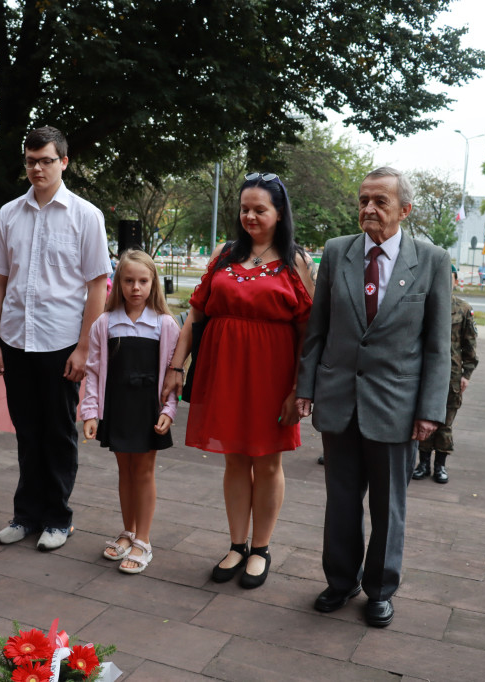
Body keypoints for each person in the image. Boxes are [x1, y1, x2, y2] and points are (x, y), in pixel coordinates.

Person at [296, 167, 451, 628]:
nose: (368, 209)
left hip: (396, 407)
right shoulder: (336, 252)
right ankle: (341, 581)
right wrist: (306, 388)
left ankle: (380, 588)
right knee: (341, 502)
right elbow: (317, 329)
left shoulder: (431, 261)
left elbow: (437, 345)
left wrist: (430, 410)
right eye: (364, 199)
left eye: (380, 201)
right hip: (339, 401)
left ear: (404, 210)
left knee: (388, 507)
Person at [162, 172, 314, 590]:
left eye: (259, 209)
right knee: (233, 459)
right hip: (224, 370)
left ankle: (261, 549)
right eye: (244, 208)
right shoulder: (225, 253)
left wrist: (299, 388)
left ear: (279, 214)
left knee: (267, 461)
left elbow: (307, 331)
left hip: (272, 374)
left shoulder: (295, 261)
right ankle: (236, 544)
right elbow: (195, 314)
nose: (249, 215)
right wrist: (176, 368)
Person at [0, 125, 110, 552]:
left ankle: (58, 517)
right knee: (26, 431)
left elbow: (97, 285)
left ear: (64, 162)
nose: (37, 168)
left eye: (46, 160)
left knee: (58, 432)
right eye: (31, 161)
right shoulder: (8, 215)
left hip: (60, 344)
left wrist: (84, 347)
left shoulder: (85, 216)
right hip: (16, 340)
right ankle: (25, 515)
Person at [83, 250, 179, 575]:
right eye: (128, 280)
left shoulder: (165, 324)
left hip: (148, 410)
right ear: (118, 283)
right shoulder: (105, 323)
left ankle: (144, 540)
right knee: (124, 470)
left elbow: (171, 375)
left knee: (145, 471)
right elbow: (94, 371)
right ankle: (128, 531)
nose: (135, 287)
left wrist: (169, 409)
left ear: (152, 283)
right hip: (118, 407)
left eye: (142, 280)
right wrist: (91, 412)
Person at [414, 270, 478, 484]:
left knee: (445, 423)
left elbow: (469, 346)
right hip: (425, 373)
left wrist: (466, 374)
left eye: (449, 279)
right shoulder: (425, 305)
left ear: (456, 281)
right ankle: (422, 463)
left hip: (452, 375)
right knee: (423, 417)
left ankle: (440, 465)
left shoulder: (463, 309)